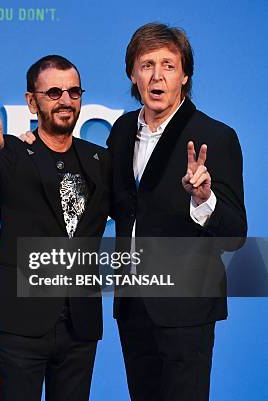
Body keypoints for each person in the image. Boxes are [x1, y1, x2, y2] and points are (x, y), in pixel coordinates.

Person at [107, 23, 247, 401]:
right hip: (133, 304)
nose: (157, 76)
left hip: (186, 308)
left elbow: (235, 233)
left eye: (168, 65)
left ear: (185, 75)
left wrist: (204, 199)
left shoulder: (216, 136)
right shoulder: (121, 132)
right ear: (133, 75)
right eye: (146, 64)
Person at [0, 55, 110, 401]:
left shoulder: (100, 160)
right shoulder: (11, 152)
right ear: (32, 101)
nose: (66, 101)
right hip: (20, 321)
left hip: (80, 323)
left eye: (74, 92)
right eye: (54, 92)